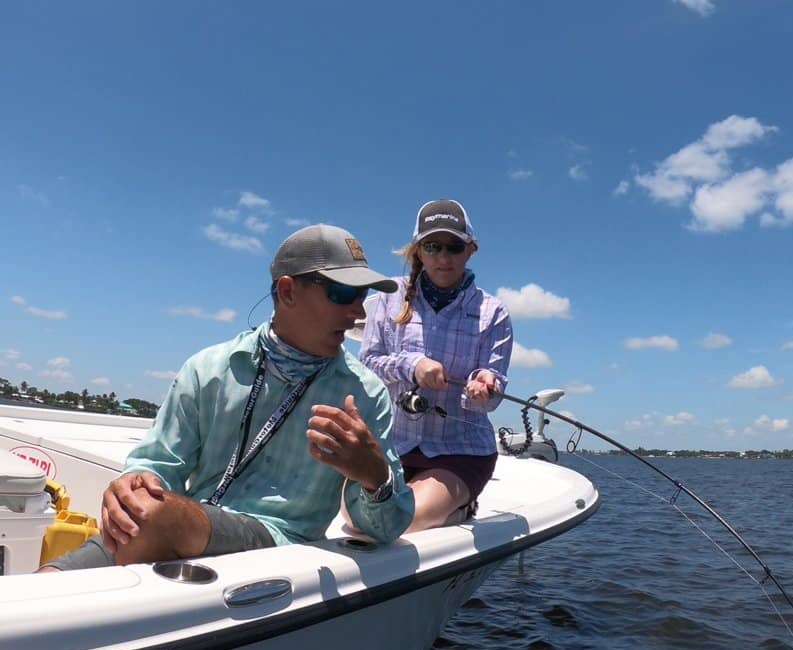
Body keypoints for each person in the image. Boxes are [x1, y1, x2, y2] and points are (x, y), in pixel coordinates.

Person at [40, 223, 414, 571]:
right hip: (181, 527)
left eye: (362, 295)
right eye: (343, 293)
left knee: (152, 514)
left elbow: (387, 528)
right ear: (287, 292)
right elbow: (158, 466)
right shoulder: (209, 368)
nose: (358, 311)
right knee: (41, 587)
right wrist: (134, 484)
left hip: (278, 548)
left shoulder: (366, 394)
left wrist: (374, 476)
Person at [359, 198, 513, 532]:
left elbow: (494, 393)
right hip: (389, 444)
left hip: (460, 450)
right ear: (417, 251)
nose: (443, 257)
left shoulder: (493, 312)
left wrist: (484, 387)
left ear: (470, 250)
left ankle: (460, 508)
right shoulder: (387, 296)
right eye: (432, 246)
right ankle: (442, 510)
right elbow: (367, 364)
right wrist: (412, 365)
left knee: (400, 518)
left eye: (454, 247)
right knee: (360, 522)